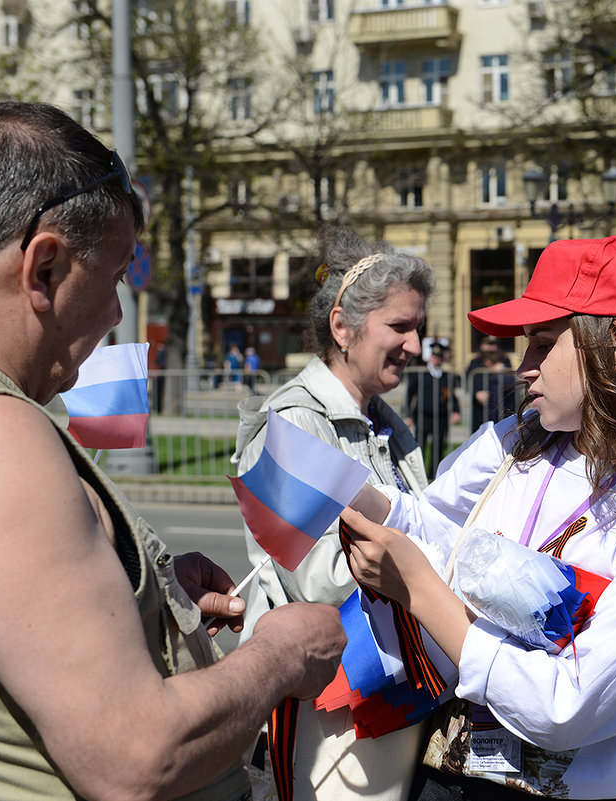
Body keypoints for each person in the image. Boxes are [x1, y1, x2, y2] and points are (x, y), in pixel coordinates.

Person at [0, 100, 345, 801]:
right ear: (44, 268)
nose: (119, 314)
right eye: (114, 276)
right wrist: (281, 653)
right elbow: (135, 754)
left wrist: (146, 598)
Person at [339, 235, 616, 799]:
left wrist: (422, 592)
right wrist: (340, 491)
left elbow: (565, 706)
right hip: (455, 771)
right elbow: (434, 522)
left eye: (543, 344)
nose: (523, 368)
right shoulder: (516, 443)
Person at [231, 225, 432, 801]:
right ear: (342, 327)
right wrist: (431, 555)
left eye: (417, 327)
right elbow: (317, 582)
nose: (415, 345)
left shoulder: (390, 424)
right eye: (399, 326)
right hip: (327, 703)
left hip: (393, 692)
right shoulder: (289, 423)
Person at [406, 341, 462, 478]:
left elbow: (450, 395)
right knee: (420, 446)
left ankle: (433, 476)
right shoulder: (421, 373)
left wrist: (456, 411)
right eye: (434, 356)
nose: (436, 359)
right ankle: (418, 476)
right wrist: (407, 414)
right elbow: (409, 395)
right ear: (430, 357)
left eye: (439, 356)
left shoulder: (446, 376)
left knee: (438, 447)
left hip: (440, 416)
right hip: (422, 415)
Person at [465, 334, 516, 430]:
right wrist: (476, 392)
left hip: (502, 405)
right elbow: (469, 379)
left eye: (494, 344)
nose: (492, 348)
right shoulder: (475, 361)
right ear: (482, 345)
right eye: (489, 344)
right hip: (480, 407)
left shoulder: (504, 360)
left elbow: (510, 381)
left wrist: (502, 370)